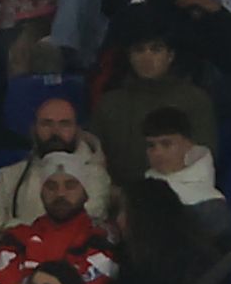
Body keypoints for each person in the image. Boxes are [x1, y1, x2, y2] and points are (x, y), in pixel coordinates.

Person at [0, 155, 119, 284]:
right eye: (51, 186)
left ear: (85, 192)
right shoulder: (17, 238)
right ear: (41, 192)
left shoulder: (100, 240)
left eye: (70, 185)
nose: (60, 194)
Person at [0, 97, 112, 258]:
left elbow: (74, 227)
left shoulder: (96, 175)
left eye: (64, 124)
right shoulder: (10, 176)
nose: (55, 132)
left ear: (77, 129)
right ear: (34, 129)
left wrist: (13, 228)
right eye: (46, 124)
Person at [92, 21, 218, 190]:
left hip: (182, 195)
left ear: (170, 56)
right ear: (130, 56)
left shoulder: (195, 100)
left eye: (156, 49)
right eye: (139, 50)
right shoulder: (110, 103)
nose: (147, 57)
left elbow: (203, 157)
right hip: (119, 196)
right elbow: (95, 160)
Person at [141, 105, 231, 237]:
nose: (157, 152)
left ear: (188, 144)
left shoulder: (212, 207)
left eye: (166, 144)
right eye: (151, 146)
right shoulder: (138, 195)